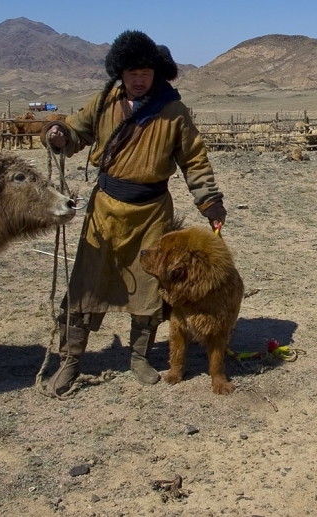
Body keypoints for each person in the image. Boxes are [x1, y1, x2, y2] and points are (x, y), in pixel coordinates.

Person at [41, 30, 227, 396]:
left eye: (145, 72)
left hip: (152, 212)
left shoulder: (173, 111)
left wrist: (209, 201)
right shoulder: (104, 101)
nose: (139, 79)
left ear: (156, 72)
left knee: (149, 290)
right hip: (105, 210)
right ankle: (70, 360)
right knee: (85, 285)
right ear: (120, 74)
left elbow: (194, 159)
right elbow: (76, 130)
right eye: (132, 73)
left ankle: (139, 357)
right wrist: (59, 133)